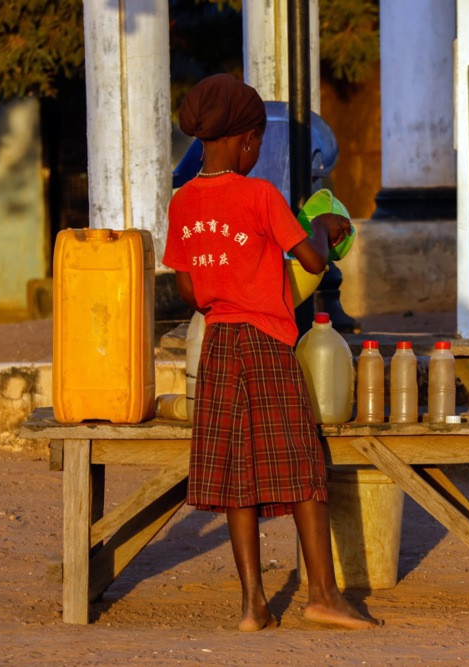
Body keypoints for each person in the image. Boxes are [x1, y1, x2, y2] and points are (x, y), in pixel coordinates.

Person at [163, 73, 380, 632]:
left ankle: (253, 605)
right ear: (247, 142)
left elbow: (186, 289)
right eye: (257, 141)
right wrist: (326, 228)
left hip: (218, 345)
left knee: (240, 474)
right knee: (303, 464)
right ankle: (324, 595)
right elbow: (310, 261)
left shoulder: (183, 202)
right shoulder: (261, 195)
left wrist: (226, 282)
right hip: (266, 342)